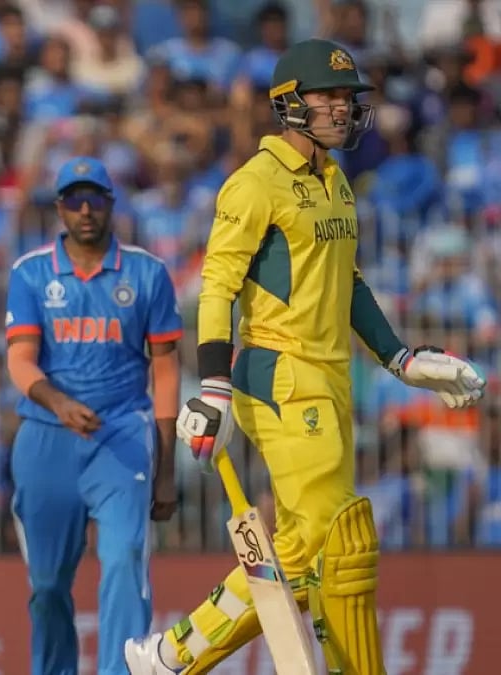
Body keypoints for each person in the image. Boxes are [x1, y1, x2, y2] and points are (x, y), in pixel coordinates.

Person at [124, 38, 486, 675]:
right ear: (289, 103)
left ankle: (169, 657)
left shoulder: (336, 181)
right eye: (329, 96)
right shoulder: (253, 184)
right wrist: (213, 387)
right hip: (280, 377)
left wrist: (401, 359)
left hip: (331, 379)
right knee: (339, 540)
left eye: (348, 97)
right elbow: (217, 286)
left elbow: (348, 282)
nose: (342, 108)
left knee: (299, 550)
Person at [4, 157, 182, 675]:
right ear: (60, 208)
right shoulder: (31, 272)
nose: (86, 211)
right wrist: (58, 403)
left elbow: (166, 370)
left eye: (96, 199)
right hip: (46, 438)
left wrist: (166, 470)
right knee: (46, 585)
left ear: (111, 204)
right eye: (75, 200)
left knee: (124, 558)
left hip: (121, 435)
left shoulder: (147, 272)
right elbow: (20, 360)